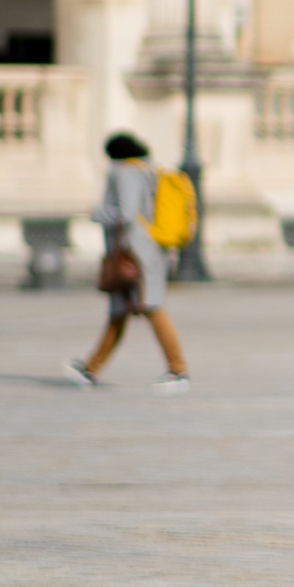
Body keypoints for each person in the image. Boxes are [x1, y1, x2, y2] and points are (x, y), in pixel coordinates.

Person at [68, 132, 192, 393]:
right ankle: (91, 369)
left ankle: (178, 370)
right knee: (119, 311)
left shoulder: (125, 172)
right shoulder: (148, 171)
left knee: (152, 307)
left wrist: (96, 212)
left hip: (135, 252)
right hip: (144, 250)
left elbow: (126, 213)